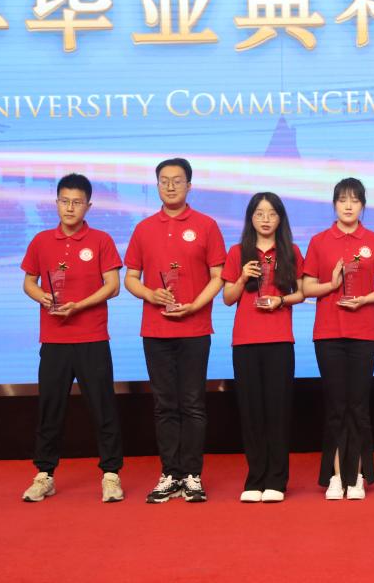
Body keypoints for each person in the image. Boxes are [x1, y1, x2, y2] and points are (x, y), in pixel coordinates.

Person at [124, 158, 226, 503]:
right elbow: (130, 278)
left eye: (177, 180)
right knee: (165, 404)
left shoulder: (206, 225)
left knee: (193, 403)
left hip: (195, 328)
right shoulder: (143, 228)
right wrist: (149, 294)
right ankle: (170, 473)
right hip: (155, 330)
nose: (170, 186)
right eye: (164, 181)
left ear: (189, 186)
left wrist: (195, 305)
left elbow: (218, 277)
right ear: (157, 186)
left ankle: (193, 474)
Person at [20, 173, 124, 503]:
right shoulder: (41, 241)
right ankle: (44, 474)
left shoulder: (101, 240)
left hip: (92, 337)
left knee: (103, 407)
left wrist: (79, 305)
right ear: (56, 203)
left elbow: (113, 286)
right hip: (54, 340)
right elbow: (29, 282)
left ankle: (111, 475)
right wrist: (41, 296)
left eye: (77, 202)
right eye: (64, 201)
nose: (70, 207)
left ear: (88, 206)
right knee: (50, 408)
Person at [302, 178, 374, 501]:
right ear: (334, 204)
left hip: (364, 333)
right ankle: (335, 475)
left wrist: (366, 298)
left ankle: (357, 476)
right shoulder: (319, 241)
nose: (348, 206)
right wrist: (331, 285)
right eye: (342, 200)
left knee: (358, 406)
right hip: (328, 333)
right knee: (335, 407)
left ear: (363, 205)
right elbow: (306, 288)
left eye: (354, 200)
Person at [222, 192, 304, 503]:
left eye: (271, 213)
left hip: (280, 341)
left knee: (278, 411)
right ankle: (255, 478)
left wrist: (281, 300)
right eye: (259, 213)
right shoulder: (237, 252)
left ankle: (277, 480)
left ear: (280, 218)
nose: (266, 219)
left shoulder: (291, 251)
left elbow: (302, 293)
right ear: (251, 218)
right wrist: (243, 277)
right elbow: (228, 298)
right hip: (245, 342)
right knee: (251, 411)